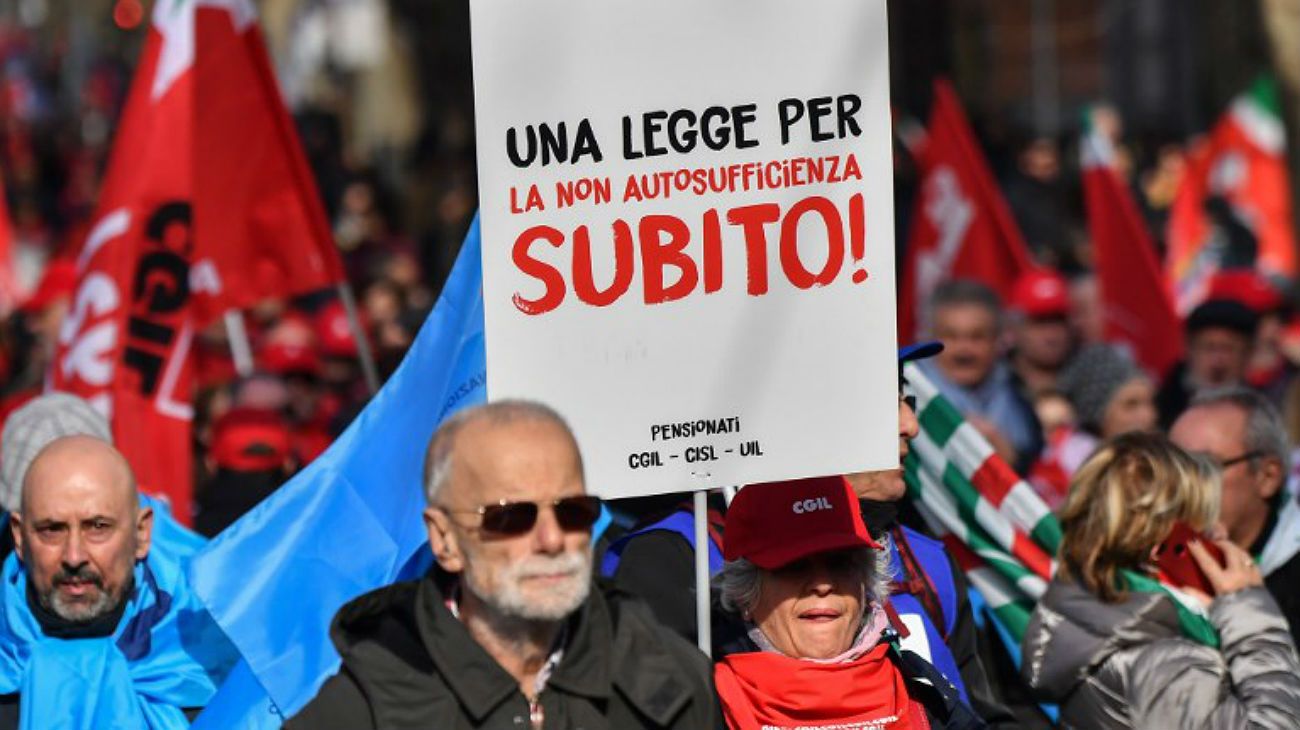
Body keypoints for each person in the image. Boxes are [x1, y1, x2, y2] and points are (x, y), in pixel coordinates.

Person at [288, 400, 719, 729]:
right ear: (445, 540)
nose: (551, 540)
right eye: (511, 517)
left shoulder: (671, 676)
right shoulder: (363, 710)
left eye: (573, 511)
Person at [1021, 432, 1300, 728]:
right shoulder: (1163, 664)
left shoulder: (1107, 624)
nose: (1221, 533)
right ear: (1165, 548)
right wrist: (1249, 612)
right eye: (1205, 527)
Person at [713, 475, 984, 729]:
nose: (823, 584)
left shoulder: (928, 699)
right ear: (745, 594)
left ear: (866, 586)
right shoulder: (707, 705)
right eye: (793, 566)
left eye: (840, 563)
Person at [0, 436, 235, 728]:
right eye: (52, 529)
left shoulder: (215, 661)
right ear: (19, 537)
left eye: (98, 527)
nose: (74, 556)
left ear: (141, 534)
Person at [1170, 387, 1300, 647]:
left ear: (1267, 476)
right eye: (1171, 467)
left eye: (1204, 467)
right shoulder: (1150, 565)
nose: (1181, 486)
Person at [919, 280, 1041, 472]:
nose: (963, 350)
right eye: (950, 336)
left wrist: (1013, 462)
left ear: (997, 340)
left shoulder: (1021, 398)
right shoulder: (906, 401)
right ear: (929, 339)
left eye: (977, 337)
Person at [1029, 343, 1156, 507]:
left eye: (1151, 403)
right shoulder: (1065, 464)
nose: (1149, 416)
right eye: (1130, 405)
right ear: (1095, 411)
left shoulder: (1152, 459)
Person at [1156, 298, 1257, 428]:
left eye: (1228, 349)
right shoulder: (1160, 406)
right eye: (1209, 348)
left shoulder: (1259, 409)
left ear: (1247, 353)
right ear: (1189, 349)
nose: (1218, 361)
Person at [1007, 268, 1075, 400]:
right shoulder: (998, 381)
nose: (1051, 335)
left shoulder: (1092, 373)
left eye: (1058, 320)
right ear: (1015, 328)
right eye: (1040, 323)